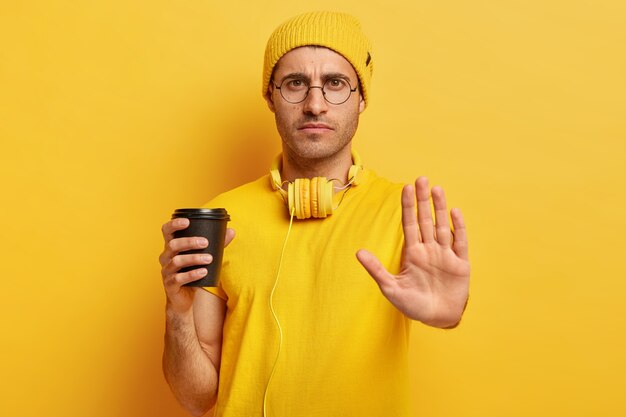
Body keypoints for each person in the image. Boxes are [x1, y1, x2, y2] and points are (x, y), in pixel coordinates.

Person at [159, 11, 470, 417]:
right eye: (295, 84)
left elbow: (444, 306)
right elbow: (196, 399)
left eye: (336, 84)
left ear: (361, 97)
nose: (315, 105)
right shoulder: (223, 219)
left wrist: (449, 313)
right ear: (270, 96)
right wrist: (177, 313)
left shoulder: (405, 215)